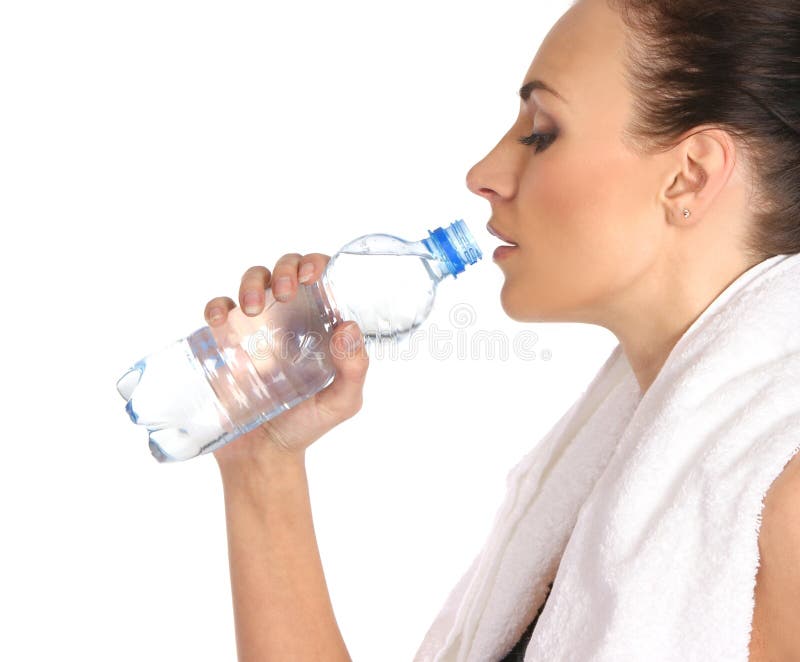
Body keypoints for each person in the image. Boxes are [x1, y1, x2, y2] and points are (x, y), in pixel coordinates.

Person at [203, 0, 800, 659]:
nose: (483, 175)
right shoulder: (618, 475)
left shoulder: (785, 497)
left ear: (690, 175)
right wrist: (264, 464)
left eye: (542, 131)